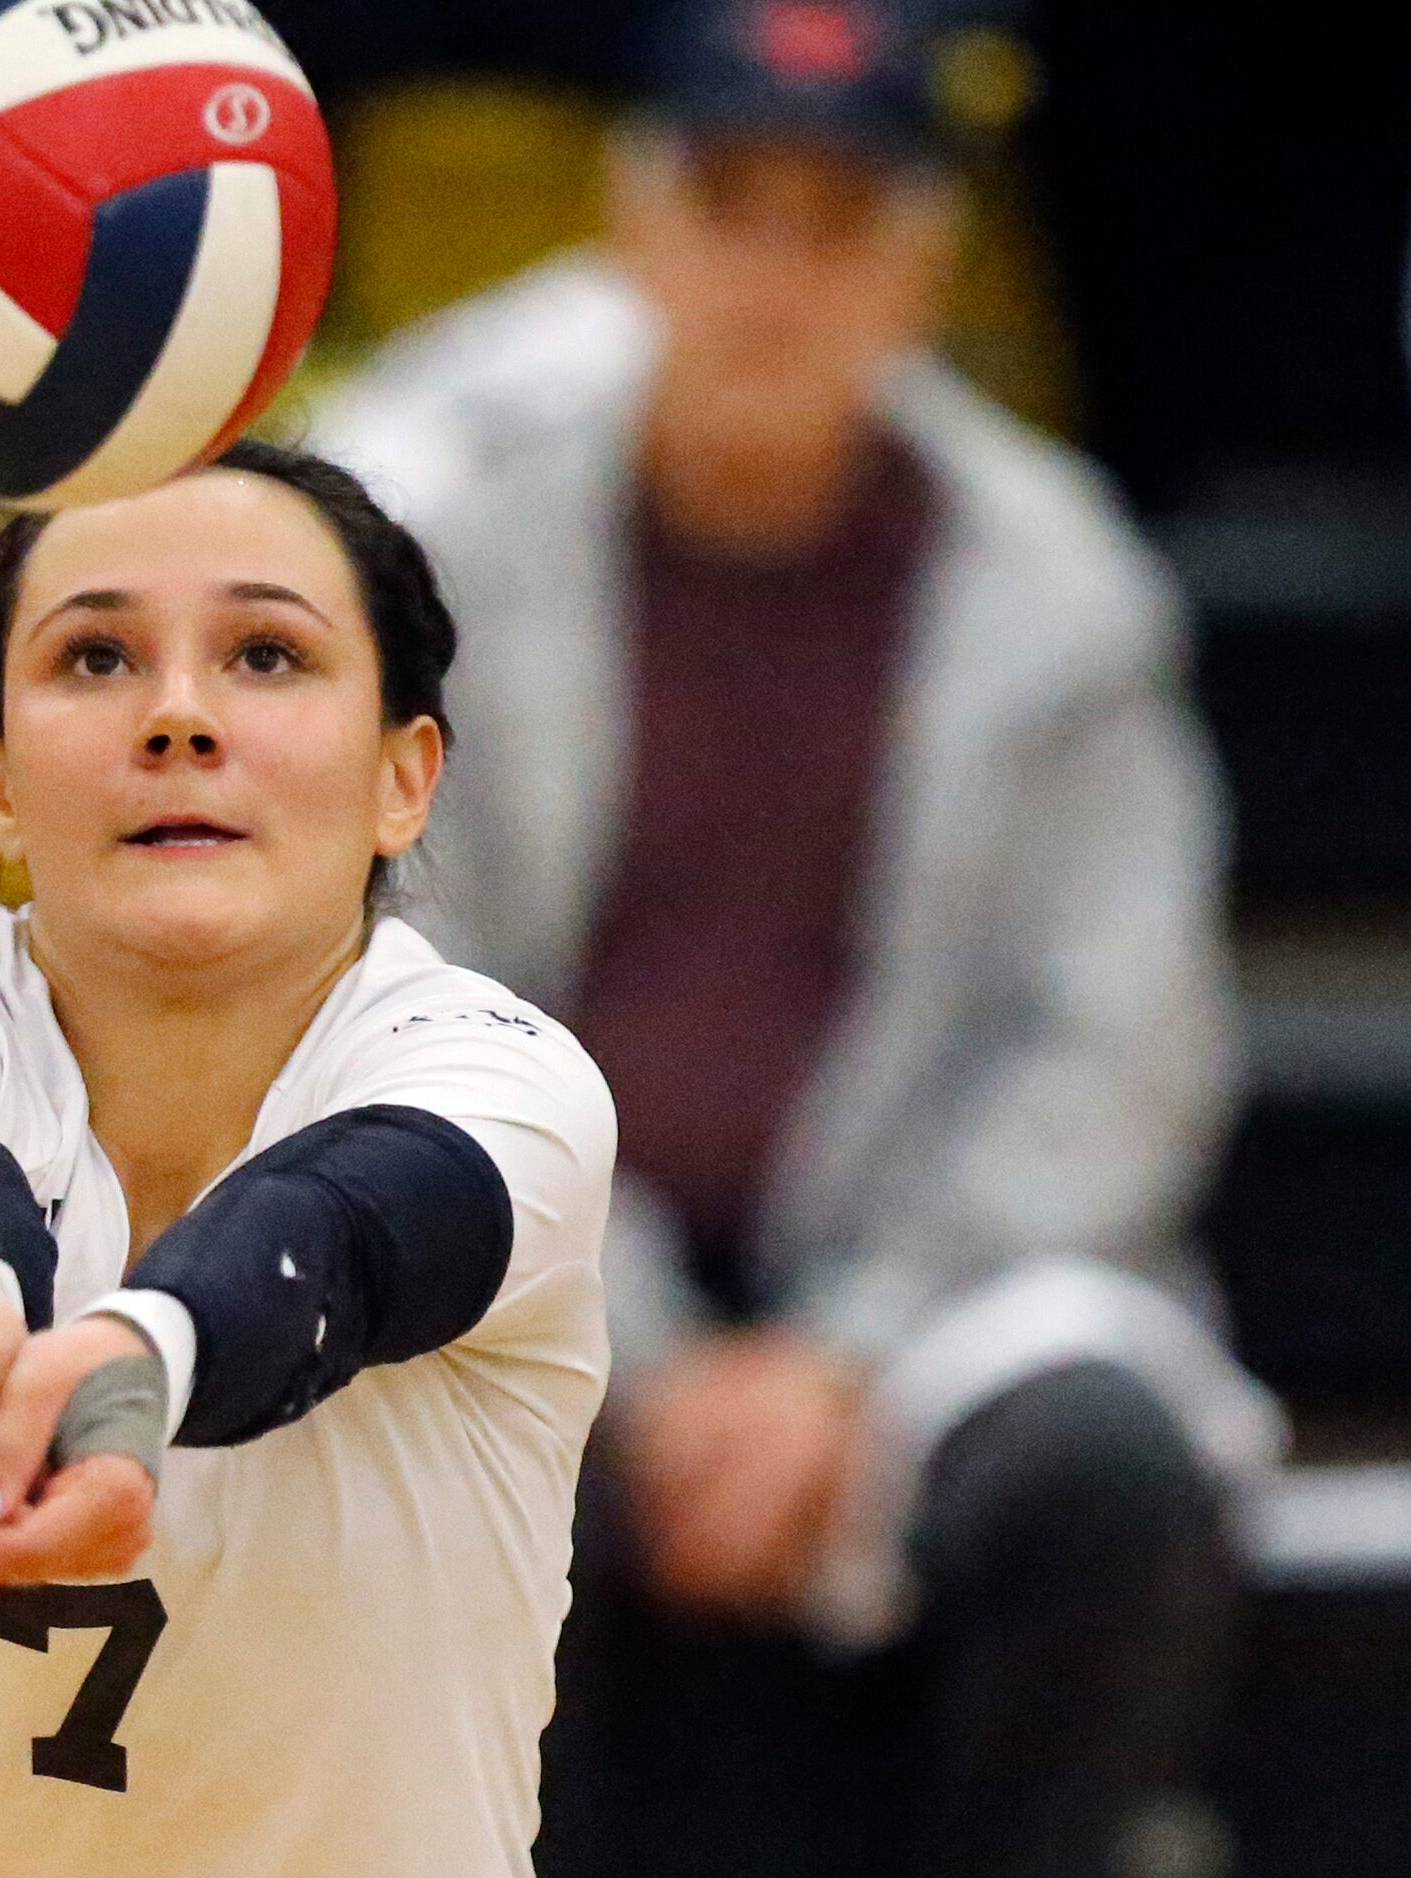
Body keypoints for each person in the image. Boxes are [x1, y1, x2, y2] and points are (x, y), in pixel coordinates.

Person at [317, 4, 1285, 1875]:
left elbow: (1113, 1053)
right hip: (535, 1247)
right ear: (634, 222)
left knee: (1103, 1466)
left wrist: (842, 1356)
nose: (775, 275)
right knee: (408, 1417)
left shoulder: (1060, 582)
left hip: (932, 1291)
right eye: (729, 206)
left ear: (925, 257)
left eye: (836, 221)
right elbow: (399, 991)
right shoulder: (449, 536)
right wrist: (662, 1357)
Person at [0, 440, 616, 1876]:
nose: (179, 716)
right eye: (95, 657)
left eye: (264, 654)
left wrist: (134, 1358)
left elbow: (331, 1239)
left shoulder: (500, 1077)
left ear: (405, 776)